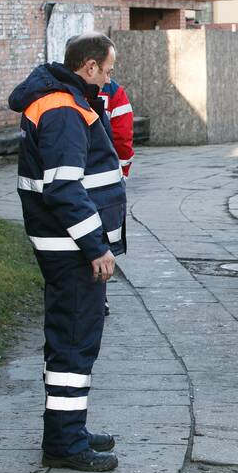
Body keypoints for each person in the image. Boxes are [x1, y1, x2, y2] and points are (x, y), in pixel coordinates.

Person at [9, 32, 127, 472]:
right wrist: (96, 246)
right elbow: (63, 186)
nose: (110, 80)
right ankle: (64, 443)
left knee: (70, 341)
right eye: (108, 70)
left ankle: (68, 427)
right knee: (74, 344)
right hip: (72, 248)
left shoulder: (60, 100)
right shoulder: (62, 107)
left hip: (64, 244)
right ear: (90, 66)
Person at [97, 79, 134, 317]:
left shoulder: (54, 89)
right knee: (101, 239)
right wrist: (122, 173)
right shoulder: (113, 91)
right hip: (104, 180)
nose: (109, 76)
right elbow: (122, 136)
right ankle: (100, 296)